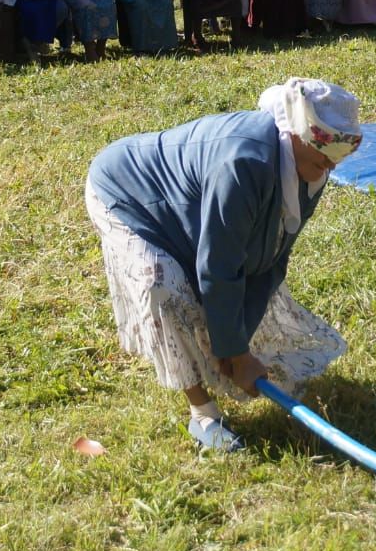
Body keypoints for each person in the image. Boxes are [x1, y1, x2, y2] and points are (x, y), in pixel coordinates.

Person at [85, 77, 361, 451]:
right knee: (162, 283)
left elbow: (272, 259)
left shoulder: (310, 164)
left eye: (336, 159)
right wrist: (234, 352)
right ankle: (203, 414)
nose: (329, 167)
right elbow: (218, 265)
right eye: (323, 155)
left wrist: (235, 345)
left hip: (179, 207)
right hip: (126, 194)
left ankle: (221, 356)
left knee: (221, 309)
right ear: (295, 133)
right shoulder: (243, 161)